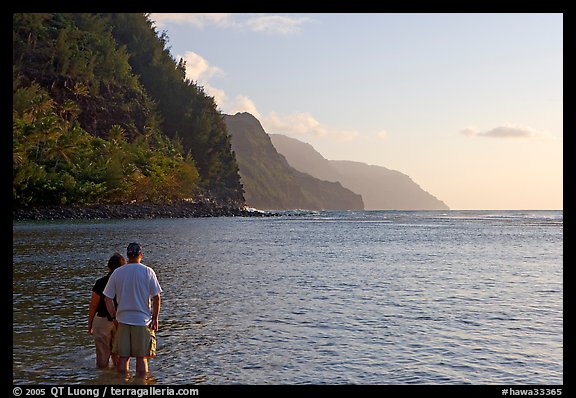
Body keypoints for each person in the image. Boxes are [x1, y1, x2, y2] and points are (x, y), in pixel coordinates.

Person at [103, 242, 162, 374]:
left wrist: (113, 317)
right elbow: (156, 298)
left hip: (122, 320)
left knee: (123, 357)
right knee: (141, 358)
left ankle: (123, 384)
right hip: (142, 320)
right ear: (140, 255)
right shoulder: (148, 271)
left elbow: (107, 298)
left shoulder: (118, 272)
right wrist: (155, 318)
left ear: (128, 255)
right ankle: (141, 385)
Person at [88, 253, 126, 369]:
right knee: (119, 356)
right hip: (121, 320)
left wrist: (90, 324)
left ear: (108, 267)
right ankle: (120, 381)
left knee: (102, 358)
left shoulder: (100, 282)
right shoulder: (125, 283)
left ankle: (103, 380)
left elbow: (94, 306)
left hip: (102, 321)